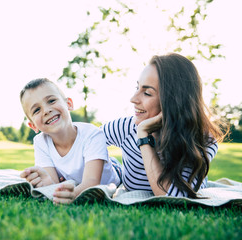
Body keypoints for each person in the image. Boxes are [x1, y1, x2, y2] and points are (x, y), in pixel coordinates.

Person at [102, 53, 226, 198]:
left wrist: (144, 136)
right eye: (137, 88)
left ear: (174, 102)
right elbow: (81, 141)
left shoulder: (202, 140)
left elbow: (175, 197)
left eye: (147, 93)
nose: (133, 99)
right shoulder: (125, 128)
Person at [19, 78, 122, 204]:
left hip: (113, 174)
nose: (46, 111)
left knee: (114, 165)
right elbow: (54, 184)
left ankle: (114, 163)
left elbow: (92, 182)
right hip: (76, 178)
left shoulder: (92, 134)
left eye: (51, 101)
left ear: (69, 104)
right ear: (33, 126)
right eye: (36, 110)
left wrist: (73, 194)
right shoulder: (41, 142)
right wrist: (47, 182)